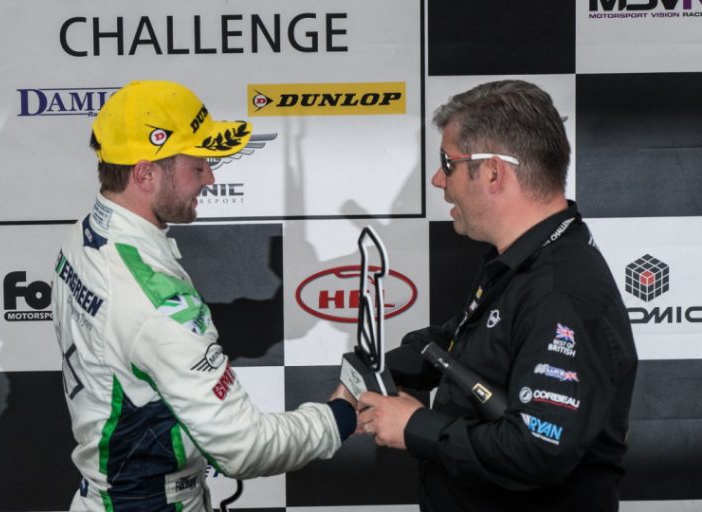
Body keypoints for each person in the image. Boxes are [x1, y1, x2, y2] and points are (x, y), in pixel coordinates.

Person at [50, 80, 356, 511]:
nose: (211, 178)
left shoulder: (87, 235)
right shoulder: (153, 302)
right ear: (145, 173)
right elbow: (244, 448)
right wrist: (341, 415)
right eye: (198, 165)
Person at [357, 80, 638, 511]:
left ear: (492, 171)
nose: (438, 179)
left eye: (446, 163)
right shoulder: (524, 260)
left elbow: (537, 449)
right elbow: (462, 342)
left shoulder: (559, 292)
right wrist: (380, 370)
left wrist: (415, 425)